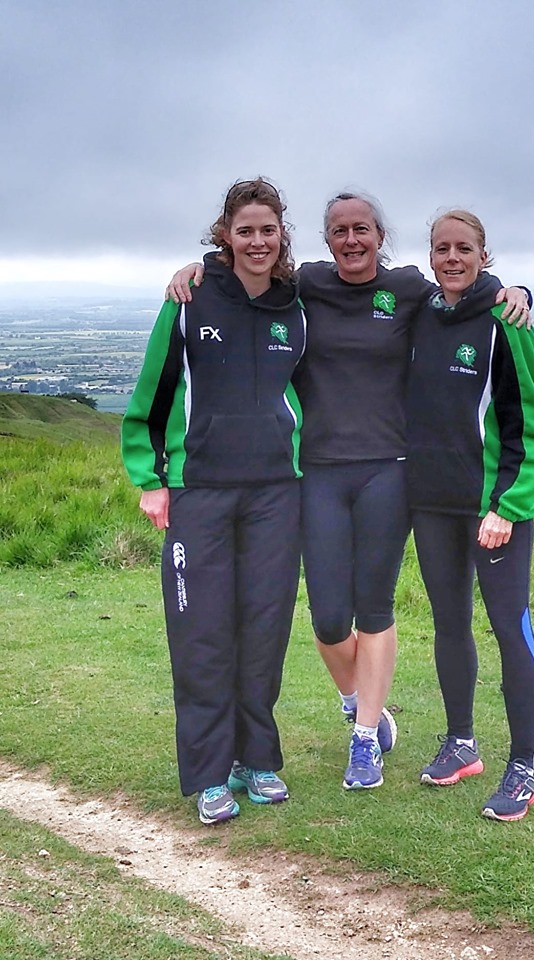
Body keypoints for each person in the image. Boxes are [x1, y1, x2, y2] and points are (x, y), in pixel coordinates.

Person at [166, 191, 530, 792]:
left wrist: (517, 293)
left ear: (379, 236)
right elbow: (247, 275)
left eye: (363, 229)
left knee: (375, 606)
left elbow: (464, 289)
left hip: (389, 469)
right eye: (340, 231)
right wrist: (196, 268)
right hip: (318, 472)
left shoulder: (408, 286)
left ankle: (364, 741)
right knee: (330, 618)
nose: (352, 240)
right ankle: (362, 702)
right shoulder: (305, 284)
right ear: (325, 239)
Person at [122, 178, 307, 824]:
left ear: (282, 234)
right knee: (201, 633)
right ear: (224, 234)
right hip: (197, 492)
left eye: (268, 229)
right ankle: (208, 774)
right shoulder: (190, 297)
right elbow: (150, 395)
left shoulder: (296, 303)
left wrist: (516, 291)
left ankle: (254, 759)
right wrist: (150, 479)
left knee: (263, 629)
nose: (257, 240)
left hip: (276, 495)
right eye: (245, 229)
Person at [406, 209, 534, 821]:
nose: (452, 258)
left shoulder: (505, 319)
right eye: (442, 248)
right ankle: (461, 743)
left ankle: (524, 768)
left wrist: (507, 508)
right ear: (431, 255)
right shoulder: (420, 312)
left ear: (484, 255)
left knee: (509, 625)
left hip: (492, 511)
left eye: (464, 248)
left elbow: (531, 428)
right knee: (448, 623)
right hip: (432, 502)